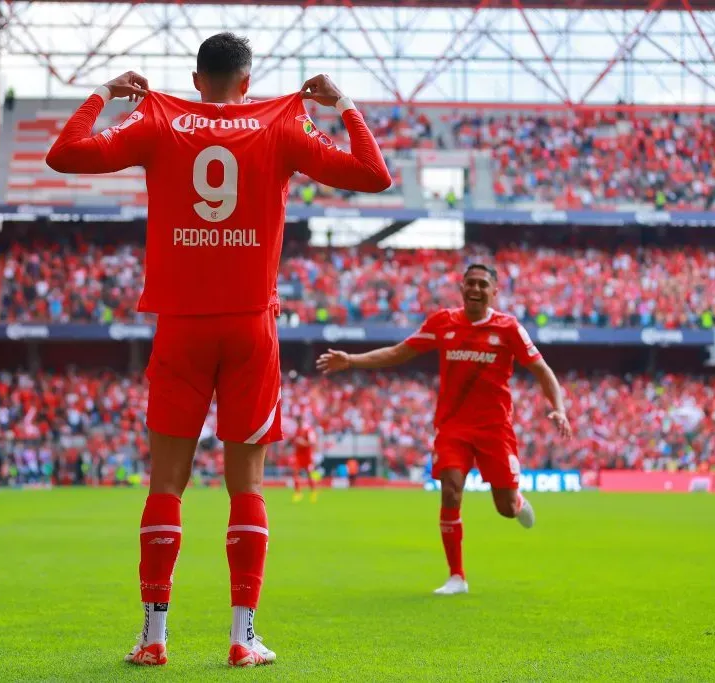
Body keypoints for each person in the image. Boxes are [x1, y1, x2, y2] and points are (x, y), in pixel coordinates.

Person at [46, 33, 390, 667]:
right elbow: (374, 174)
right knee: (247, 486)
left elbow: (63, 155)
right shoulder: (282, 124)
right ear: (248, 79)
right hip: (250, 326)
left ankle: (153, 639)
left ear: (196, 78)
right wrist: (343, 106)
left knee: (166, 485)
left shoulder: (158, 118)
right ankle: (241, 636)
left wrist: (102, 95)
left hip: (180, 324)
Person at [317, 264, 572, 595]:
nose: (476, 289)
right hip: (453, 427)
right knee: (451, 490)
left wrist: (559, 409)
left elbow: (542, 369)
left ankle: (517, 503)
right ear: (462, 288)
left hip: (495, 429)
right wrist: (351, 360)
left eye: (483, 284)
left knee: (505, 508)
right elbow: (398, 352)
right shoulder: (443, 322)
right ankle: (457, 576)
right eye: (471, 283)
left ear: (494, 291)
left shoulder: (508, 328)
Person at [291, 421, 318, 503]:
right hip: (298, 455)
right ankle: (298, 493)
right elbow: (294, 441)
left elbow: (312, 442)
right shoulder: (297, 430)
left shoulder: (308, 430)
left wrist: (303, 443)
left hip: (307, 455)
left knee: (309, 474)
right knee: (295, 472)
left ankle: (313, 492)